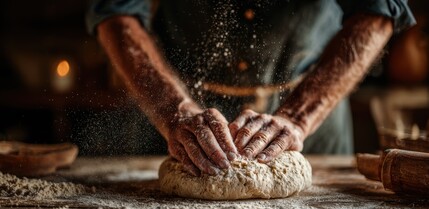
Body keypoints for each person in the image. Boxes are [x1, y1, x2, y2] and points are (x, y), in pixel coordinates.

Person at [87, 0, 415, 176]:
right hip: (174, 119)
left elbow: (378, 11)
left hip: (312, 114)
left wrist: (299, 117)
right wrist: (173, 108)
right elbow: (118, 12)